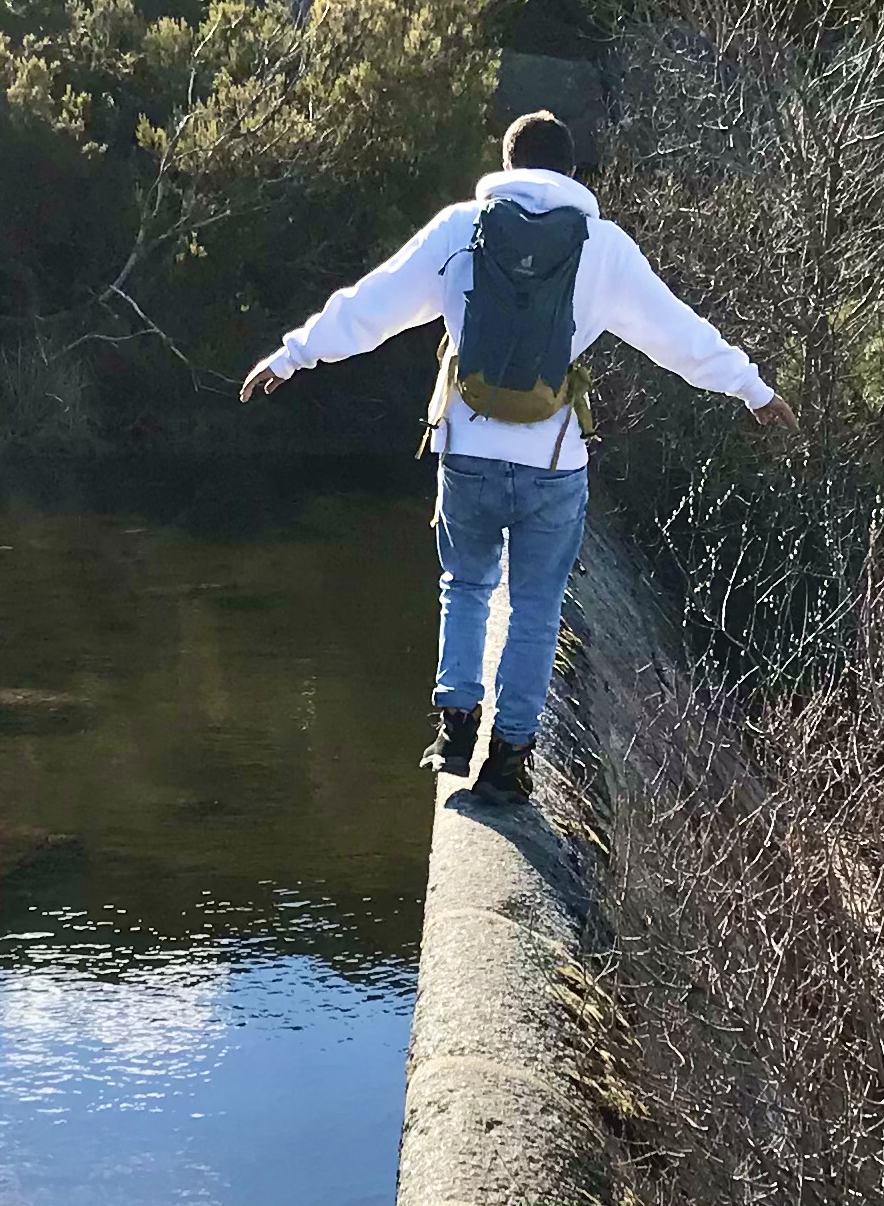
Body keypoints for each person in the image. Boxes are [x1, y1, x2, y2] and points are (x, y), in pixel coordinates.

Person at [239, 111, 789, 807]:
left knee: (465, 587)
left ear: (506, 160)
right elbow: (678, 335)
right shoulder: (603, 246)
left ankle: (455, 727)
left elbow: (371, 306)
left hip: (467, 447)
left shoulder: (460, 228)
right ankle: (508, 761)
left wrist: (293, 355)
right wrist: (753, 389)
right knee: (535, 608)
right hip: (553, 461)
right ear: (570, 173)